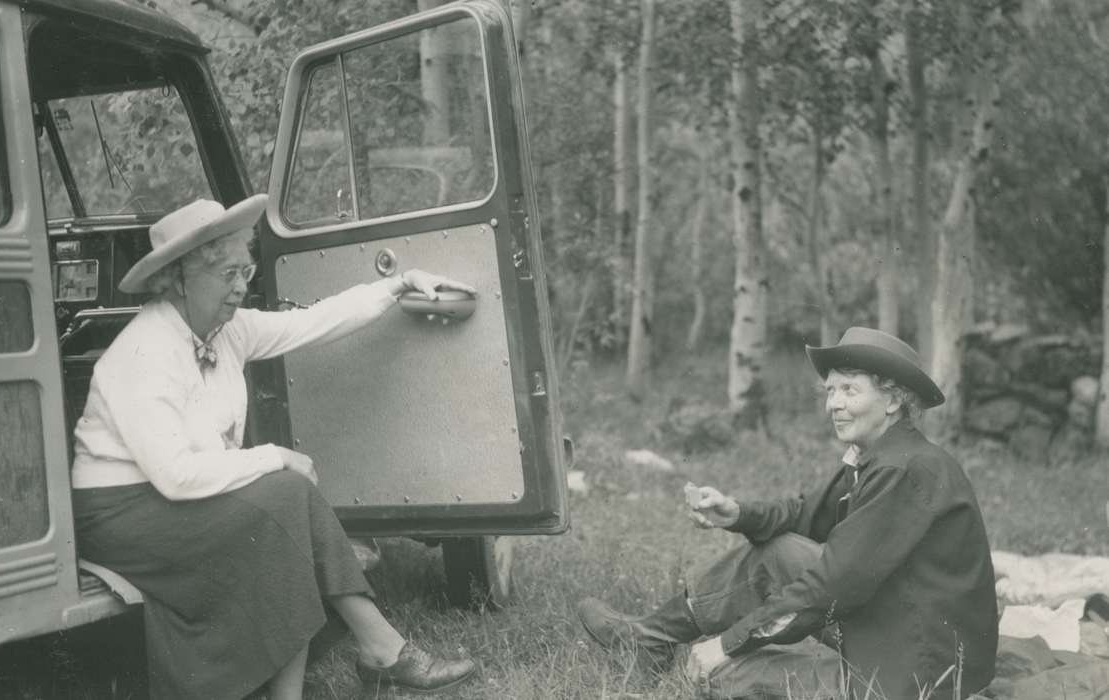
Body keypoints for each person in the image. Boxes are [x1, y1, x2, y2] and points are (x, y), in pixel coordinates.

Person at [70, 195, 478, 700]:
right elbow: (174, 476)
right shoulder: (143, 350)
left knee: (283, 511)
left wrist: (398, 283)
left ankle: (371, 654)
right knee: (284, 495)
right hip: (122, 514)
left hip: (176, 495)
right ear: (177, 280)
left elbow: (312, 324)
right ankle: (380, 650)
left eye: (246, 270)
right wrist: (276, 456)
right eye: (227, 275)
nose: (241, 286)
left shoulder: (227, 330)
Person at [578, 327, 999, 699]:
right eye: (830, 391)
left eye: (849, 390)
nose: (833, 403)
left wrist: (727, 644)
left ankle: (669, 651)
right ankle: (650, 640)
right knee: (778, 551)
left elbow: (832, 587)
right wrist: (737, 512)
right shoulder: (882, 455)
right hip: (897, 620)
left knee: (724, 675)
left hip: (919, 671)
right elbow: (806, 514)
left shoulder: (903, 469)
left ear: (892, 401)